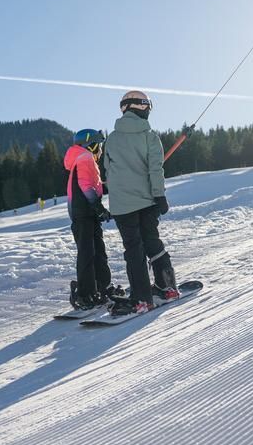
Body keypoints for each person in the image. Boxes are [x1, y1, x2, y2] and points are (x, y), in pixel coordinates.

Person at [104, 90, 179, 316]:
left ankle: (142, 298)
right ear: (142, 107)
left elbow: (109, 171)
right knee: (152, 241)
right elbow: (155, 169)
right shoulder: (149, 136)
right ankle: (168, 287)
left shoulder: (111, 139)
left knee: (134, 249)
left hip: (122, 206)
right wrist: (159, 195)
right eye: (148, 107)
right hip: (147, 201)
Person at [64, 129, 119, 309]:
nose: (101, 150)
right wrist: (99, 208)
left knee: (97, 252)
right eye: (99, 145)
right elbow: (86, 186)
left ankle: (102, 288)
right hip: (84, 214)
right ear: (91, 145)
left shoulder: (82, 159)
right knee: (88, 254)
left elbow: (93, 185)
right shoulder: (85, 158)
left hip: (86, 214)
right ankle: (85, 295)